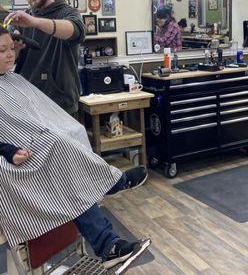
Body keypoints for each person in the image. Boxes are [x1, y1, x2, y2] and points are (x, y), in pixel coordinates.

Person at [0, 26, 150, 271]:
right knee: (57, 147)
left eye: (11, 48)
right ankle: (113, 184)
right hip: (9, 161)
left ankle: (108, 243)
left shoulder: (10, 78)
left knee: (73, 132)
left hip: (28, 147)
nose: (10, 54)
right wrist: (8, 151)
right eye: (2, 50)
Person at [4, 0, 86, 115]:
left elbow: (76, 31)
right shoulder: (20, 20)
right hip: (28, 101)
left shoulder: (68, 13)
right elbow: (9, 61)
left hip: (60, 102)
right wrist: (15, 49)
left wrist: (34, 22)